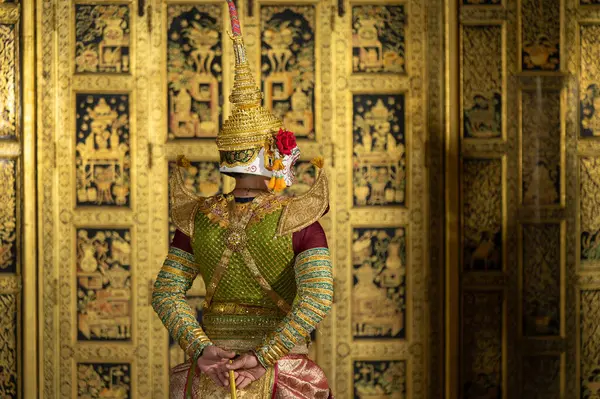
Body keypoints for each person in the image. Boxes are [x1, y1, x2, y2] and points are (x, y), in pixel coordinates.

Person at [151, 1, 334, 397]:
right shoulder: (300, 219)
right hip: (280, 375)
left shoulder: (197, 217)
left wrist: (202, 349)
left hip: (210, 372)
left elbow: (165, 292)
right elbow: (318, 299)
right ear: (271, 156)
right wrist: (263, 355)